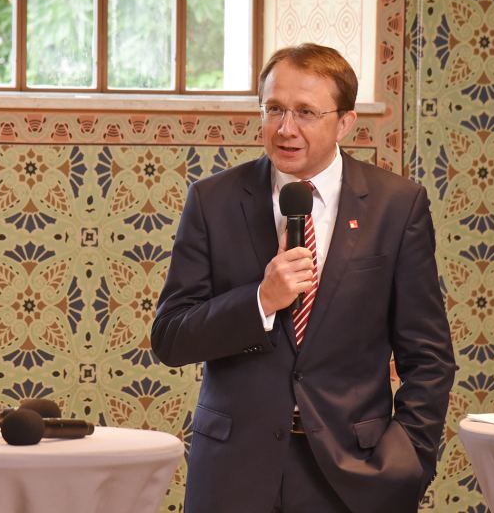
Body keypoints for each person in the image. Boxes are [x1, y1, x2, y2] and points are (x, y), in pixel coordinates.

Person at [151, 44, 455, 513]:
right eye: (274, 109)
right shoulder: (212, 201)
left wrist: (407, 459)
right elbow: (170, 338)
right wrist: (260, 301)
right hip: (234, 476)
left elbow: (429, 357)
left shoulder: (397, 206)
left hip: (354, 475)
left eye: (306, 113)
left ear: (345, 122)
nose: (285, 128)